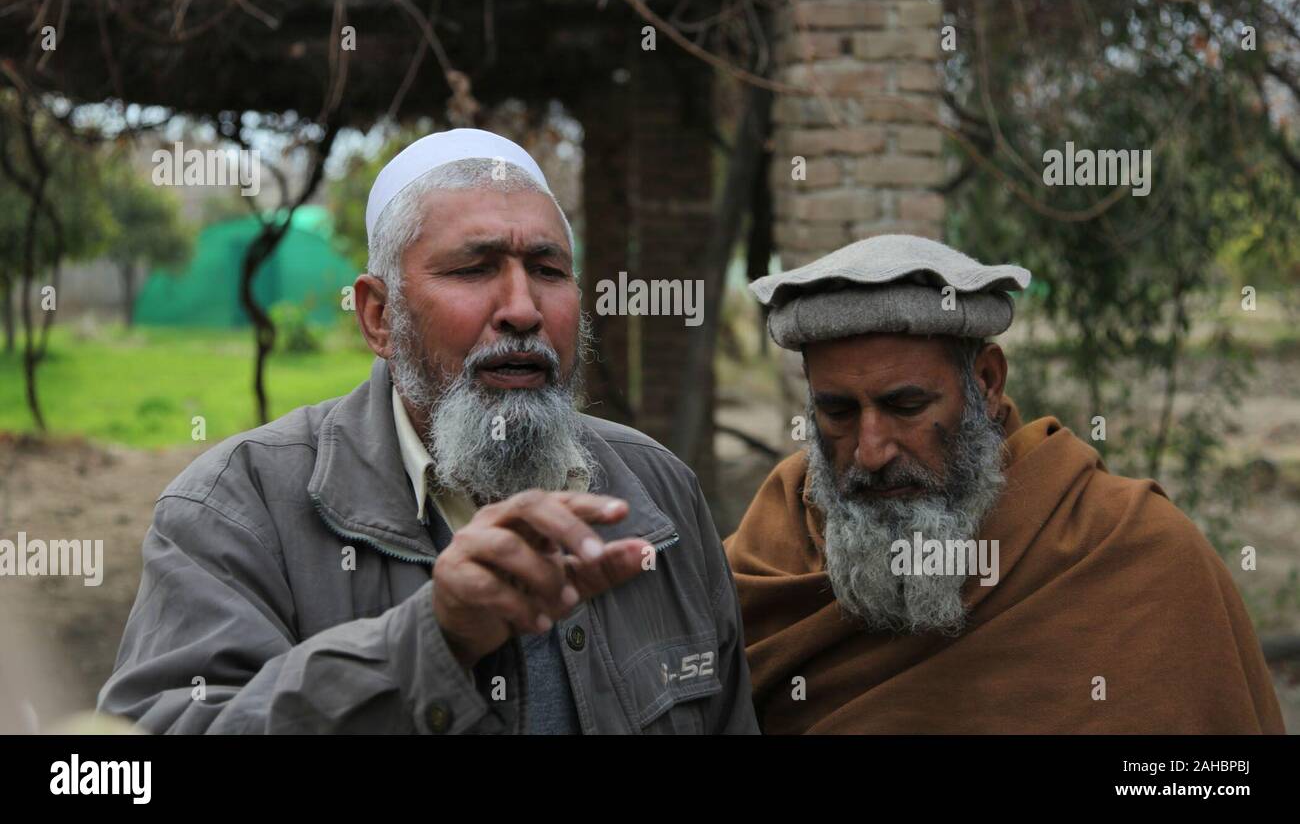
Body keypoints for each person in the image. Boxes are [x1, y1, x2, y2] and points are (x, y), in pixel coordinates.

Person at [100, 129, 757, 734]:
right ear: (380, 317)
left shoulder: (660, 492)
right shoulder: (234, 511)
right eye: (474, 268)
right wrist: (425, 643)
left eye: (549, 270)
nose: (523, 309)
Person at [725, 233, 1284, 734]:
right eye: (839, 412)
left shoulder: (1133, 551)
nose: (871, 452)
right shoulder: (771, 550)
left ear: (987, 383)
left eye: (906, 405)